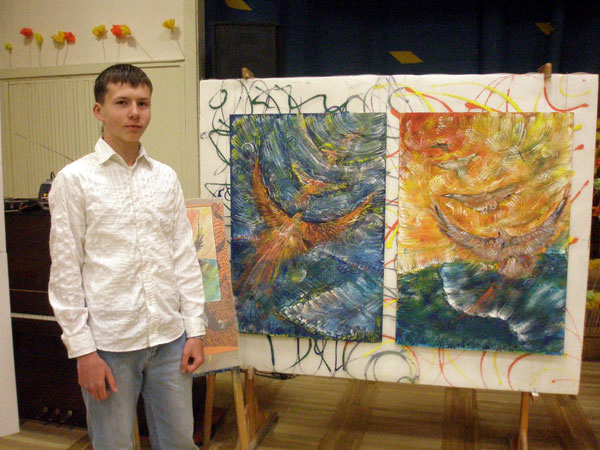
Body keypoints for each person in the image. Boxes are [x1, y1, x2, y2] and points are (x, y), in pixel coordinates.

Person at [48, 63, 206, 450]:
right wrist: (83, 352)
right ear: (99, 111)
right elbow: (66, 271)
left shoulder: (165, 177)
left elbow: (183, 258)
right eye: (122, 103)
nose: (134, 113)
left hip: (169, 339)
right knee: (113, 444)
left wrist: (196, 331)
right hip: (110, 345)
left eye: (142, 103)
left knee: (179, 442)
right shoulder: (74, 180)